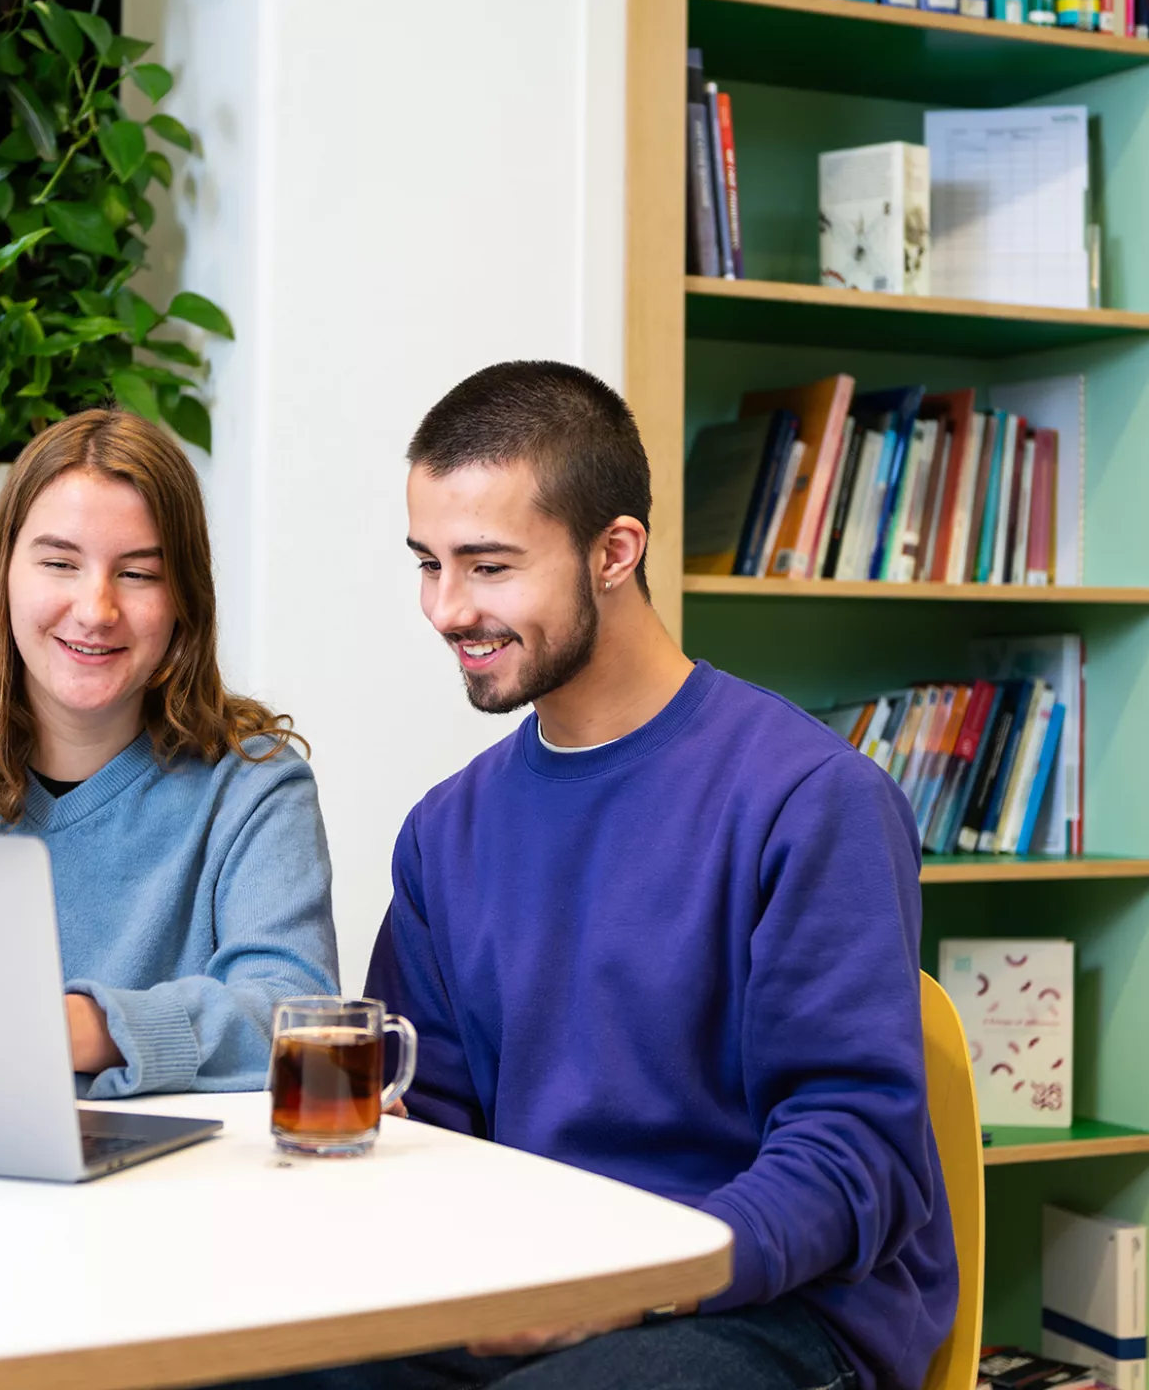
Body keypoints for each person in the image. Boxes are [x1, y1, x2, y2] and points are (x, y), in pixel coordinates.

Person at [251, 361, 956, 1390]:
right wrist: (392, 1155)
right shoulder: (447, 829)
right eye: (427, 563)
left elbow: (860, 1156)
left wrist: (625, 1281)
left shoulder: (811, 799)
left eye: (487, 566)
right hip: (525, 1291)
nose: (445, 609)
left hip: (767, 1307)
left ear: (613, 550)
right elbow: (432, 1114)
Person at [0, 408, 339, 1098]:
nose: (95, 609)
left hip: (178, 1191)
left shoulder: (253, 785)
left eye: (138, 574)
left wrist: (78, 1027)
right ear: (4, 574)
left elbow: (300, 1019)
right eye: (59, 563)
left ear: (185, 598)